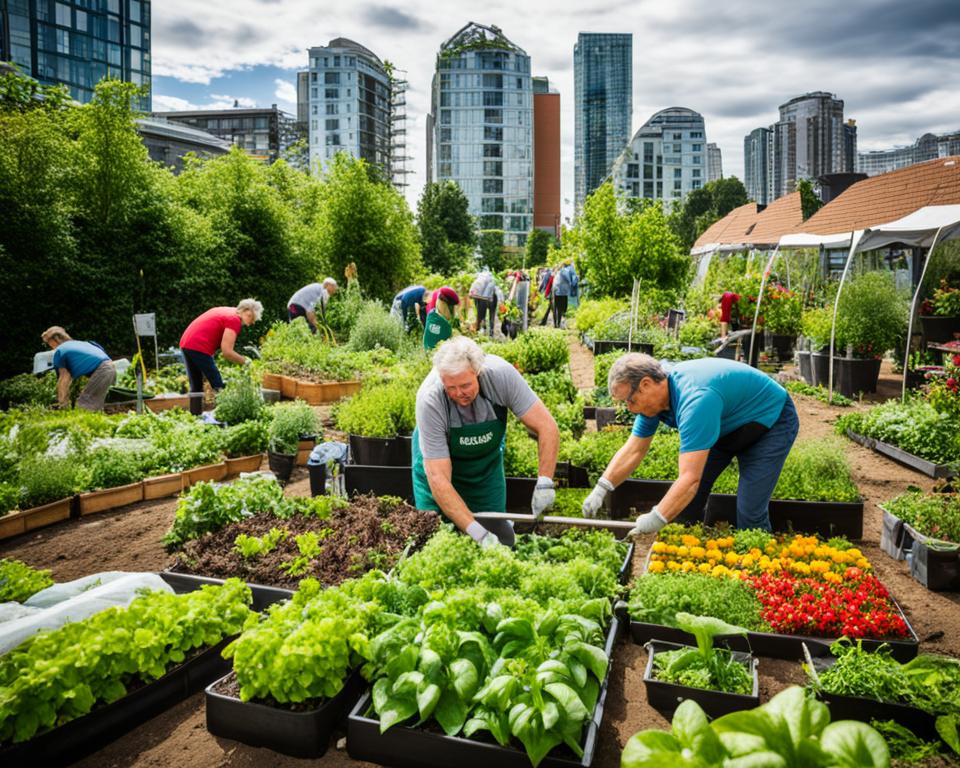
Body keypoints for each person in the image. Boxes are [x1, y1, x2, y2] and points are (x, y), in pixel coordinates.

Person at [581, 353, 799, 533]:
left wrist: (655, 519)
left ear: (645, 384)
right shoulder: (657, 394)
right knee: (686, 506)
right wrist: (602, 488)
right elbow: (634, 449)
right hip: (726, 427)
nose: (629, 408)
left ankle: (759, 574)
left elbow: (690, 479)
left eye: (630, 400)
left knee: (749, 509)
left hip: (769, 423)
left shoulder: (695, 400)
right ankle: (686, 553)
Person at [412, 336, 560, 547]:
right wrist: (477, 533)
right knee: (438, 540)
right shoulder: (430, 398)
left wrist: (545, 481)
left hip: (485, 471)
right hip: (438, 471)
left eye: (465, 385)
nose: (458, 394)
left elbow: (547, 427)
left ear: (478, 372)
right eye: (450, 388)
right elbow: (439, 479)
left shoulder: (501, 376)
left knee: (495, 529)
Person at [180, 299, 263, 394]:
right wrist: (246, 362)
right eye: (251, 317)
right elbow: (227, 352)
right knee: (218, 385)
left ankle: (195, 409)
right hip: (199, 346)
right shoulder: (234, 320)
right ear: (245, 311)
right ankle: (224, 408)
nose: (252, 322)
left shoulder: (229, 312)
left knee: (196, 387)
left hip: (186, 342)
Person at [41, 327, 116, 412]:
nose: (49, 346)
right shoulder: (82, 343)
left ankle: (81, 424)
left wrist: (63, 405)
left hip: (103, 370)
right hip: (111, 366)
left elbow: (63, 380)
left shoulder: (60, 351)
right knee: (93, 403)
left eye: (48, 342)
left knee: (84, 405)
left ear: (55, 340)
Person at [468, 270, 498, 338]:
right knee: (492, 315)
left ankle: (483, 330)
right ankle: (491, 333)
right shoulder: (491, 281)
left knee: (481, 315)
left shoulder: (477, 284)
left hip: (481, 299)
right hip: (492, 298)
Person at [551, 261, 579, 328]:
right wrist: (572, 284)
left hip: (557, 290)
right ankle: (558, 323)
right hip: (562, 291)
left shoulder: (559, 271)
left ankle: (557, 324)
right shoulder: (567, 270)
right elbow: (573, 280)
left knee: (557, 307)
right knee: (561, 308)